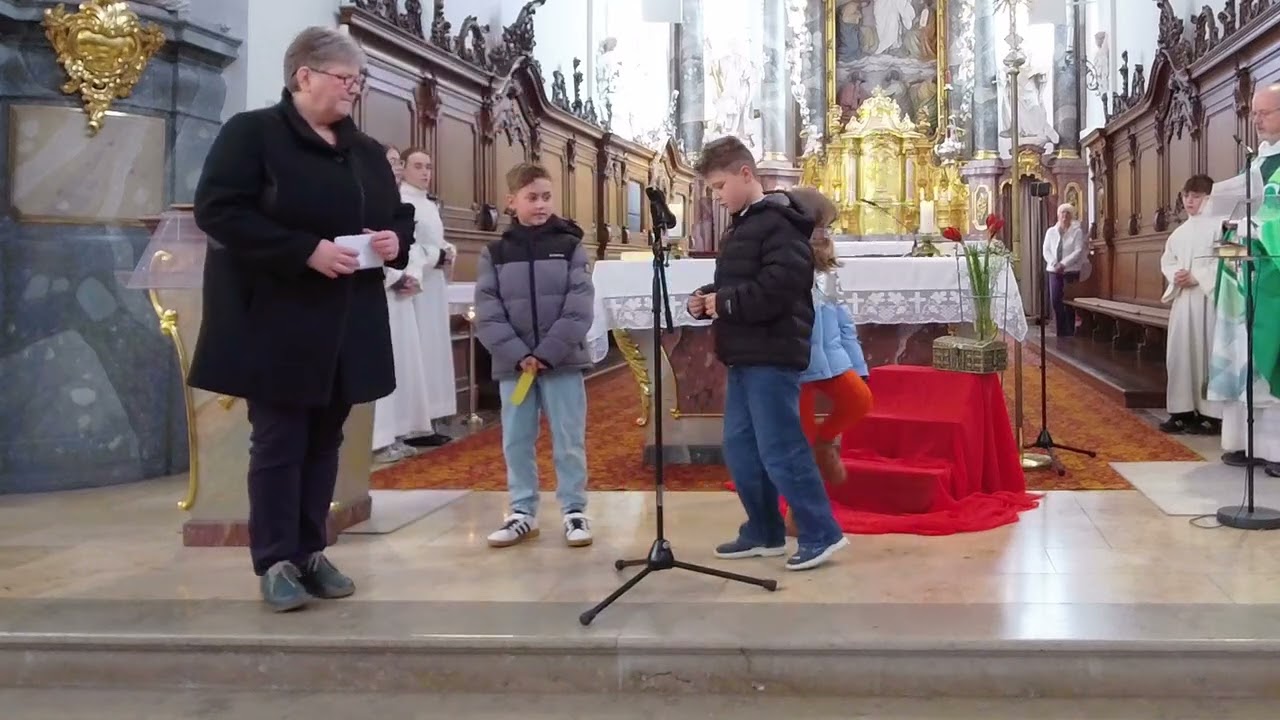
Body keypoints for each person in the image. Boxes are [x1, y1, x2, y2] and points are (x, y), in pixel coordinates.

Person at [190, 27, 413, 612]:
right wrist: (304, 250)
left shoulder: (364, 152)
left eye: (358, 81)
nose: (353, 90)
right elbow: (218, 210)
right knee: (280, 441)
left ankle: (312, 551)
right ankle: (276, 561)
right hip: (277, 322)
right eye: (346, 79)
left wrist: (394, 240)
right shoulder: (253, 135)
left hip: (347, 323)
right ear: (303, 76)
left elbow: (397, 217)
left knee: (324, 441)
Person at [687, 136, 849, 572]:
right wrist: (706, 297)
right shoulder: (744, 223)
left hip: (772, 353)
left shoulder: (778, 222)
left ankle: (821, 532)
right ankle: (763, 529)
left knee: (781, 446)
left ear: (746, 174)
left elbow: (781, 286)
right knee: (741, 446)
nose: (717, 197)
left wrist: (725, 302)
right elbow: (744, 279)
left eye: (720, 186)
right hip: (743, 351)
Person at [474, 163, 595, 548]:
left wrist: (546, 353)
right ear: (512, 202)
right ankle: (522, 511)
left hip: (561, 362)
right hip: (515, 367)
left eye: (546, 196)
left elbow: (579, 305)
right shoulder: (495, 253)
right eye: (532, 198)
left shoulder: (570, 246)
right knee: (516, 438)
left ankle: (574, 511)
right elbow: (488, 309)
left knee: (568, 436)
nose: (541, 205)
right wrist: (519, 354)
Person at [1205, 83, 1280, 475]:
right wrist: (1228, 230)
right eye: (1254, 113)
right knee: (1241, 358)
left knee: (1271, 360)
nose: (1257, 120)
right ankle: (1242, 441)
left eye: (1265, 112)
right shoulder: (1253, 165)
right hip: (1243, 275)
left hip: (1273, 280)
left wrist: (1262, 228)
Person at [789, 187, 873, 485]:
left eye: (829, 227)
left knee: (859, 400)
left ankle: (825, 444)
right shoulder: (786, 265)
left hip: (831, 359)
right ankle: (801, 511)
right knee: (801, 438)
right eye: (820, 226)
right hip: (798, 363)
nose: (826, 234)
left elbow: (842, 320)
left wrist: (858, 366)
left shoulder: (826, 272)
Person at [370, 148, 434, 464]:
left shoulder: (399, 204)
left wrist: (411, 274)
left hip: (401, 297)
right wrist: (393, 277)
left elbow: (413, 248)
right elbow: (366, 244)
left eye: (397, 162)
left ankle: (397, 431)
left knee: (402, 366)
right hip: (379, 295)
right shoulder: (370, 198)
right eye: (391, 162)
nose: (395, 168)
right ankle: (378, 438)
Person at [399, 148, 458, 449]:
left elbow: (434, 242)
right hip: (416, 289)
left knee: (433, 349)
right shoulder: (403, 202)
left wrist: (447, 251)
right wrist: (436, 255)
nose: (425, 172)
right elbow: (407, 249)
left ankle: (432, 416)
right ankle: (415, 425)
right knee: (419, 353)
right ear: (404, 169)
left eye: (429, 166)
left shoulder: (427, 204)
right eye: (418, 166)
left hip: (433, 287)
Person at [1159, 174, 1221, 435]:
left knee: (1207, 354)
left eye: (1195, 196)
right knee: (1180, 355)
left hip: (1209, 301)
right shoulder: (1179, 233)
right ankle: (1181, 411)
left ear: (1209, 198)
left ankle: (1212, 414)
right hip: (1183, 302)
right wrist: (1176, 275)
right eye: (1186, 196)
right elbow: (1168, 259)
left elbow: (1226, 260)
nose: (1189, 201)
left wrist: (1199, 277)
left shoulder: (1220, 226)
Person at [1041, 203, 1087, 337]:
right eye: (1062, 213)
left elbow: (1078, 250)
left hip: (1070, 271)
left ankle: (1070, 331)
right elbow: (1046, 250)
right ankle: (1061, 331)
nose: (1065, 216)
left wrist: (1064, 264)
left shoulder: (1076, 231)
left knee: (1070, 301)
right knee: (1056, 300)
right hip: (1054, 270)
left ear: (1071, 216)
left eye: (1067, 213)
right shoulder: (1051, 231)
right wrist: (1055, 263)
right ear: (1058, 215)